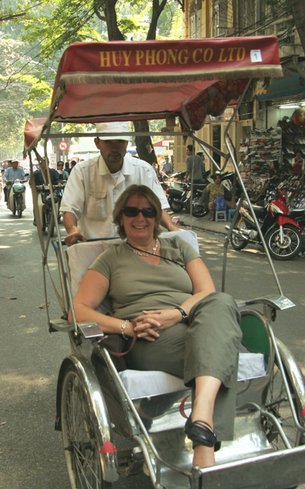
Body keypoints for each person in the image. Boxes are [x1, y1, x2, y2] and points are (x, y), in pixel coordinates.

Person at [71, 185, 240, 468]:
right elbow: (77, 310)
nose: (141, 217)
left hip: (193, 321)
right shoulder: (111, 258)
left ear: (156, 217)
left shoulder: (178, 247)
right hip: (149, 337)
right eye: (132, 211)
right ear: (120, 217)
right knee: (221, 352)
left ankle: (201, 423)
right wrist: (126, 327)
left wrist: (175, 314)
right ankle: (204, 437)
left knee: (221, 301)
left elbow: (206, 292)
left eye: (148, 211)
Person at [61, 121, 178, 245]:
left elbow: (158, 205)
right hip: (93, 248)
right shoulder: (82, 172)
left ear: (127, 143)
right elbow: (70, 208)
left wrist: (171, 227)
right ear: (97, 143)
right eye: (108, 142)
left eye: (120, 141)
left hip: (135, 248)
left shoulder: (144, 170)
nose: (115, 148)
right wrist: (72, 230)